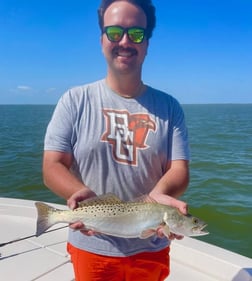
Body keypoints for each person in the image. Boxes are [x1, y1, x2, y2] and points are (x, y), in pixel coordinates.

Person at [43, 0, 190, 280]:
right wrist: (78, 195)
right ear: (101, 40)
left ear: (147, 43)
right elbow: (52, 165)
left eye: (136, 33)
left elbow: (179, 169)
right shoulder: (74, 100)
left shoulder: (170, 107)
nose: (125, 41)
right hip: (91, 245)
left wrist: (157, 197)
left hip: (152, 246)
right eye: (114, 32)